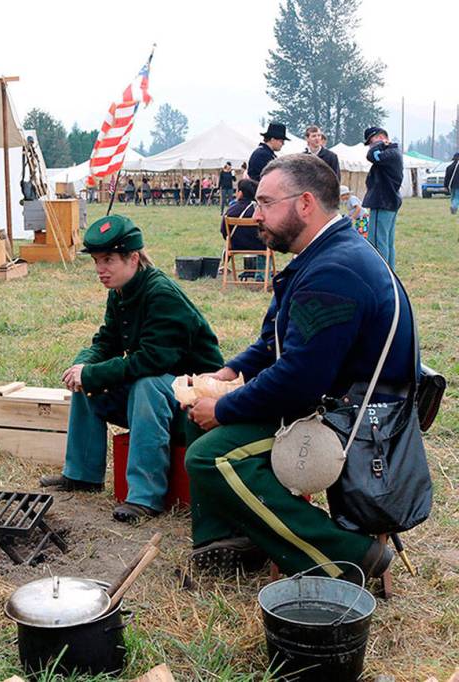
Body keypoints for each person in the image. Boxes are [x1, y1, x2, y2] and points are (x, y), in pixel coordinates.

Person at [184, 154, 413, 582]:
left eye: (267, 203)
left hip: (356, 420)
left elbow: (299, 380)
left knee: (213, 457)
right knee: (195, 417)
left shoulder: (333, 271)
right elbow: (274, 344)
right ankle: (233, 539)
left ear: (305, 203)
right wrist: (228, 374)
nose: (254, 215)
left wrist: (225, 409)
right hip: (332, 398)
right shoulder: (320, 255)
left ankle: (345, 558)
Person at [39, 215, 224, 523]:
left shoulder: (161, 294)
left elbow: (151, 361)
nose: (100, 269)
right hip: (162, 392)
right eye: (97, 261)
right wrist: (82, 366)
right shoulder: (122, 291)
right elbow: (106, 340)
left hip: (196, 396)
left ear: (133, 258)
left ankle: (144, 497)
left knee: (146, 384)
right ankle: (82, 474)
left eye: (108, 260)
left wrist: (93, 372)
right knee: (90, 383)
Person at [361, 126, 403, 268]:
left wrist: (379, 144)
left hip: (382, 201)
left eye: (371, 141)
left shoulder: (389, 153)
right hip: (388, 201)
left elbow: (371, 156)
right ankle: (390, 273)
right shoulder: (393, 152)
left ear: (379, 137)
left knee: (378, 242)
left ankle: (381, 274)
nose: (370, 145)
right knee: (387, 242)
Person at [445, 152, 459, 216]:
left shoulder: (449, 167)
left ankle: (453, 208)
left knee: (453, 197)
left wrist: (445, 186)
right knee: (457, 198)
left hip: (451, 185)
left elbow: (446, 177)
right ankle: (453, 207)